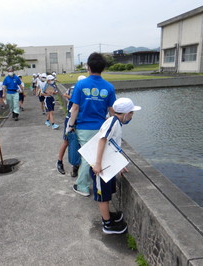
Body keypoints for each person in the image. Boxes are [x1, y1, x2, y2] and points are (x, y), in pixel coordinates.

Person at [67, 52, 116, 197]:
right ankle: (94, 184)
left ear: (88, 67)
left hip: (83, 128)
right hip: (101, 128)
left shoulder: (81, 84)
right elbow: (112, 110)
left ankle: (82, 186)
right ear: (103, 68)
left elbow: (75, 108)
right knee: (95, 157)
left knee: (87, 158)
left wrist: (69, 126)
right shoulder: (109, 87)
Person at [91, 97, 141, 234]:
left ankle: (107, 215)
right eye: (131, 113)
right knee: (103, 196)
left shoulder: (116, 123)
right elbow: (102, 141)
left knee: (107, 192)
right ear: (126, 114)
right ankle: (107, 224)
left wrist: (119, 164)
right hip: (100, 167)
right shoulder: (113, 122)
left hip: (106, 164)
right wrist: (97, 164)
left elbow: (112, 146)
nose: (132, 116)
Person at [56, 75, 86, 176]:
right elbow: (75, 106)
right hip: (70, 119)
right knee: (67, 141)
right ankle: (59, 162)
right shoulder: (74, 89)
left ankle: (75, 166)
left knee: (78, 143)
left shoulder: (85, 90)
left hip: (80, 119)